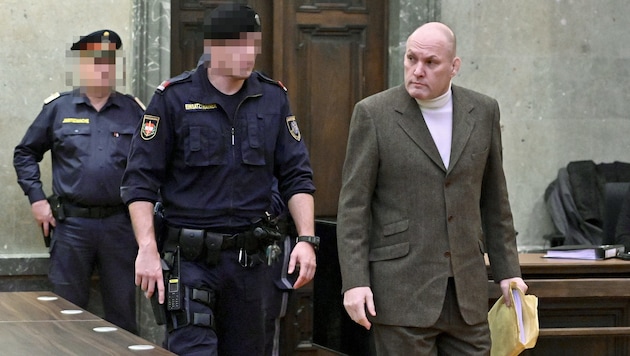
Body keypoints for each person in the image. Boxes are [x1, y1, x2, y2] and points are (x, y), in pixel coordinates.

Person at [120, 3, 318, 355]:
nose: (248, 53)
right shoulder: (173, 99)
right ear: (213, 46)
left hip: (251, 265)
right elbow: (139, 182)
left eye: (252, 43)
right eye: (237, 44)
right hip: (190, 261)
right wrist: (147, 248)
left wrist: (306, 238)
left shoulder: (272, 98)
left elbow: (296, 175)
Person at [336, 22, 528, 355]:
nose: (417, 71)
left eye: (430, 63)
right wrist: (354, 282)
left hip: (466, 294)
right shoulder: (374, 114)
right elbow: (353, 209)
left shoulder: (482, 111)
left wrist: (508, 271)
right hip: (400, 292)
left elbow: (495, 199)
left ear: (454, 66)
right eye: (411, 59)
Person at [13, 30, 143, 333]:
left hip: (120, 228)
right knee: (63, 314)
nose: (104, 68)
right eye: (96, 61)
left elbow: (153, 166)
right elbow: (25, 153)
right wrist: (37, 199)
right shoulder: (58, 109)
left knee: (122, 317)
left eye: (110, 62)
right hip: (71, 227)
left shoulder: (134, 111)